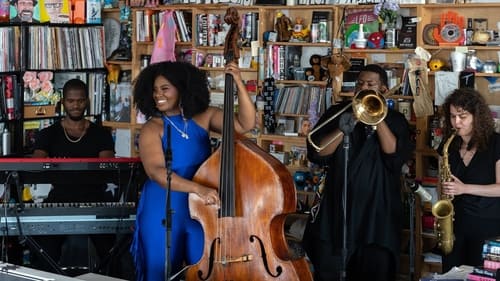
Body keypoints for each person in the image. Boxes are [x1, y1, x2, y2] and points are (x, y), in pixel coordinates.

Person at [130, 61, 255, 281]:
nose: (158, 95)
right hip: (163, 207)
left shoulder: (204, 116)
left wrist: (237, 81)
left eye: (165, 88)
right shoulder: (152, 128)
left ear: (183, 89)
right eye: (155, 90)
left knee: (205, 270)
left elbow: (245, 124)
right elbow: (156, 172)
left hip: (200, 210)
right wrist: (198, 188)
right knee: (159, 271)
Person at [302, 64, 412, 281]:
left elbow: (393, 154)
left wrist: (376, 116)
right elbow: (319, 152)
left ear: (383, 88)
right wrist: (349, 121)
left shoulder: (395, 120)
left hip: (377, 211)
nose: (363, 88)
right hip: (339, 206)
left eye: (370, 84)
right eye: (359, 84)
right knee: (331, 267)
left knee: (375, 269)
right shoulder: (338, 112)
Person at [30, 78, 116, 275]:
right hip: (59, 200)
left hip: (96, 201)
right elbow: (35, 165)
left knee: (112, 252)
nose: (75, 105)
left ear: (87, 101)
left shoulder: (101, 134)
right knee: (44, 251)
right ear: (63, 102)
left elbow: (106, 166)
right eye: (71, 101)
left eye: (80, 100)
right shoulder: (48, 134)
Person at [438, 88, 500, 272]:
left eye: (462, 116)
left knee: (483, 275)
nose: (456, 122)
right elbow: (441, 184)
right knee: (450, 274)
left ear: (477, 116)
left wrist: (464, 188)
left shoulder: (496, 143)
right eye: (452, 116)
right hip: (454, 225)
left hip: (488, 226)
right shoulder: (448, 144)